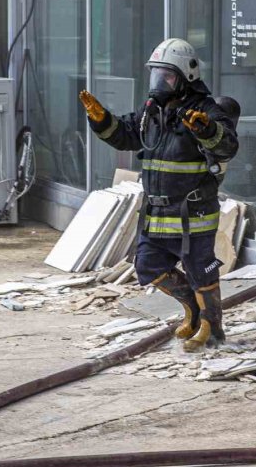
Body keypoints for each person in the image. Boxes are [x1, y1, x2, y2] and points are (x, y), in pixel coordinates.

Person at [79, 38, 238, 352]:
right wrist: (101, 120)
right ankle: (193, 308)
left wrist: (206, 130)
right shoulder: (151, 112)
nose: (158, 82)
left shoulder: (205, 110)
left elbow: (228, 146)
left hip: (193, 215)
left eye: (166, 76)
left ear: (186, 76)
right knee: (148, 266)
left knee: (201, 271)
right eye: (156, 74)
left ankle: (212, 328)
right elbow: (127, 136)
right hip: (158, 214)